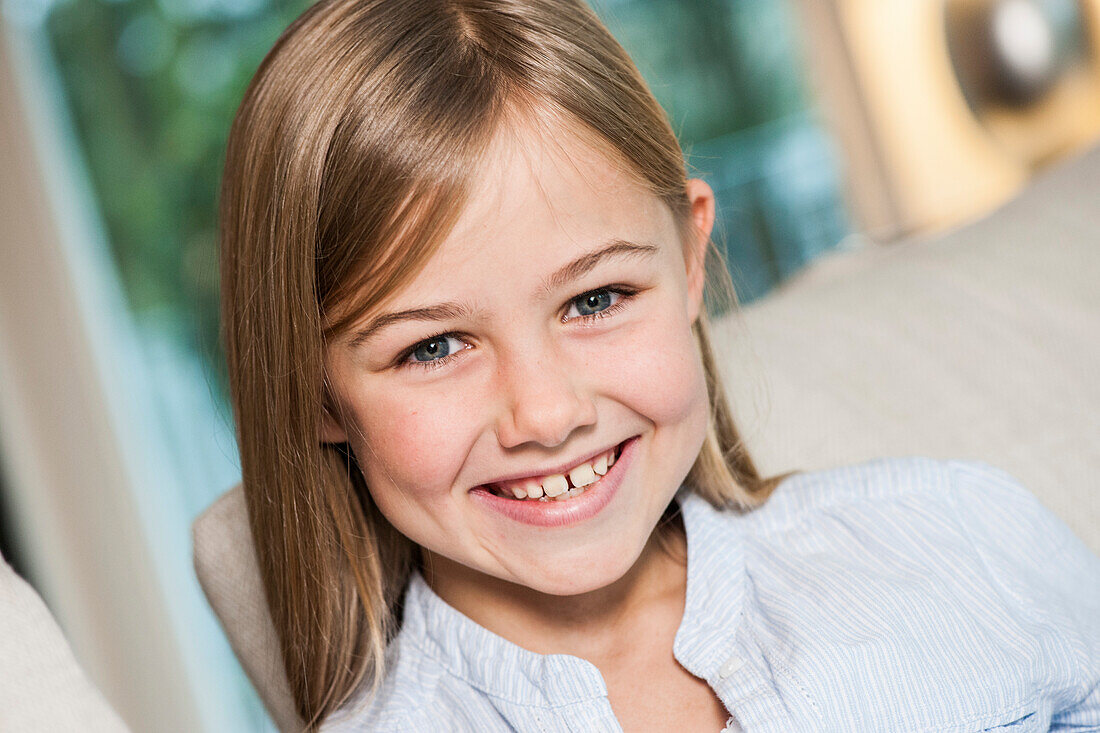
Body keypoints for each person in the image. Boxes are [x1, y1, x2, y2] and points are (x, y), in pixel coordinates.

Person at [217, 0, 1100, 730]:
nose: (547, 413)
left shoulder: (952, 537)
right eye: (432, 346)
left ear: (686, 262)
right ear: (316, 391)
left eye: (594, 299)